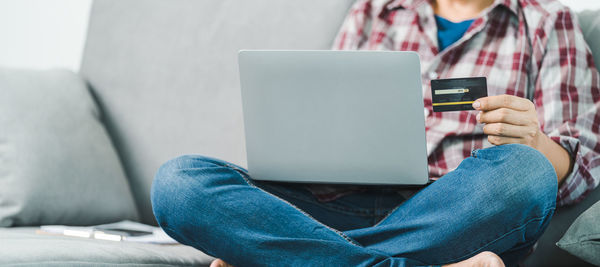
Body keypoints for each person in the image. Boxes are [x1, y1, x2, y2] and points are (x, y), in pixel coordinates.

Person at [150, 0, 600, 266]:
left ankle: (287, 258)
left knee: (525, 173)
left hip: (453, 212)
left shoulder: (546, 21)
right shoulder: (373, 10)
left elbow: (582, 160)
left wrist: (536, 142)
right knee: (180, 182)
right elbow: (321, 110)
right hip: (331, 205)